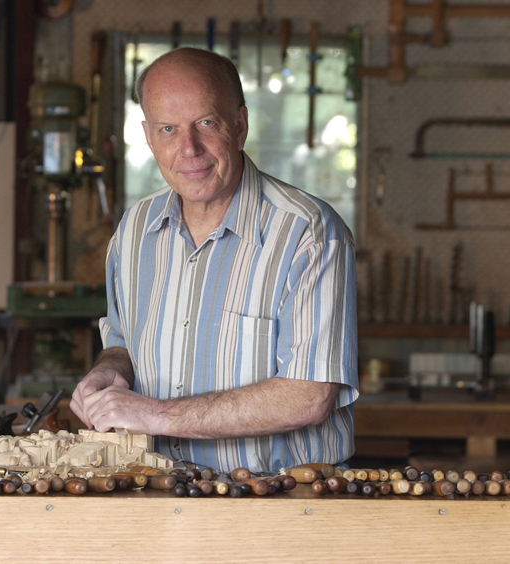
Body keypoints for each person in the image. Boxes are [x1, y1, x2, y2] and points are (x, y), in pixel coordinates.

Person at [69, 47, 358, 473]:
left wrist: (155, 415)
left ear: (240, 125)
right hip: (159, 495)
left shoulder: (308, 233)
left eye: (206, 123)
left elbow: (310, 395)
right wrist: (110, 370)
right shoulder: (133, 231)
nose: (189, 149)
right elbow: (124, 342)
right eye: (168, 129)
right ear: (149, 137)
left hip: (285, 504)